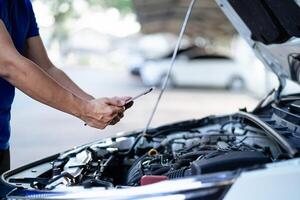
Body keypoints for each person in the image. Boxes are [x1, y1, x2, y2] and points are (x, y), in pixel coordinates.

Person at [0, 0, 132, 174]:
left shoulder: (22, 5)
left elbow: (47, 68)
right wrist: (85, 109)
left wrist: (96, 104)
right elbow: (8, 64)